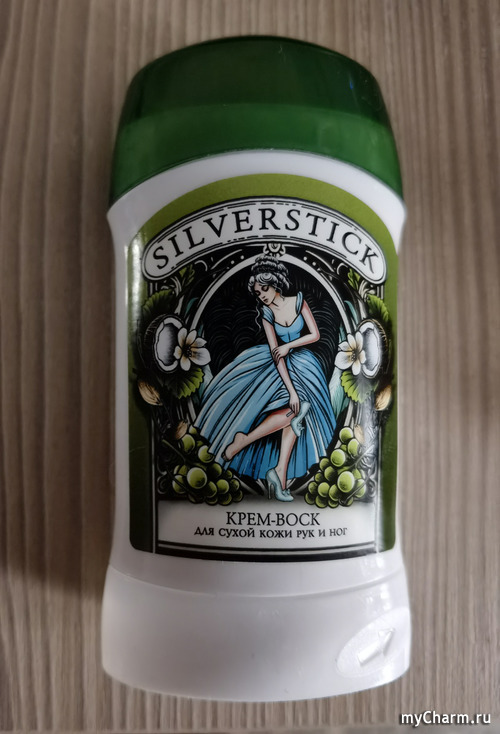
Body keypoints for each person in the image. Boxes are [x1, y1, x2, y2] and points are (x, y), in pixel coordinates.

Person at [195, 255, 336, 501]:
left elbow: (314, 335)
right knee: (296, 407)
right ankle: (277, 470)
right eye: (258, 293)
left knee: (296, 413)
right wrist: (291, 390)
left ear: (275, 284)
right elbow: (275, 355)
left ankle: (254, 449)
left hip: (303, 362)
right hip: (277, 366)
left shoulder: (298, 301)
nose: (261, 295)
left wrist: (289, 345)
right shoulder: (266, 313)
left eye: (264, 289)